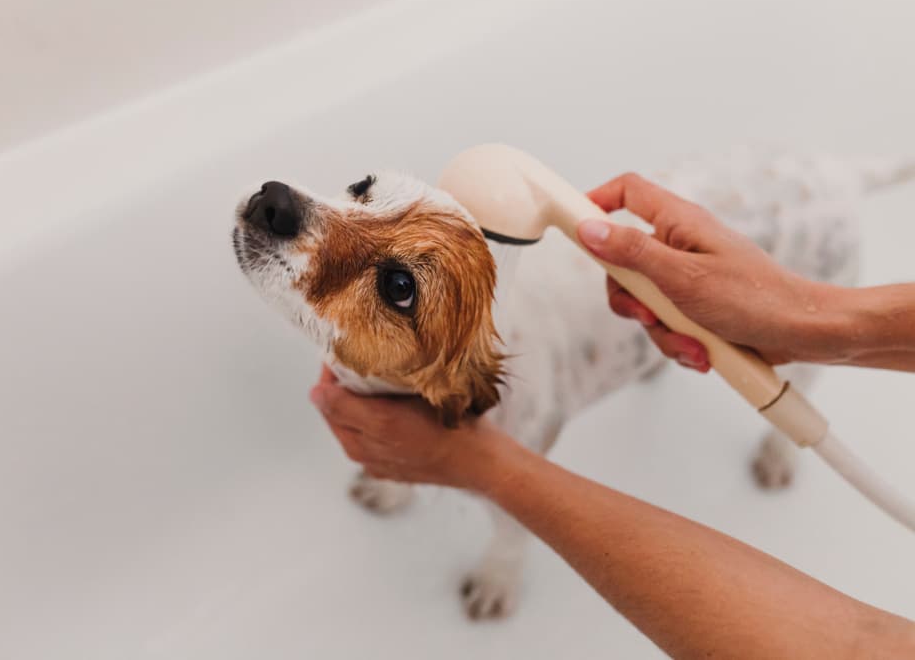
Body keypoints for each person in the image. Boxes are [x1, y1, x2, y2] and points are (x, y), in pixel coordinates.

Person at [308, 173, 915, 659]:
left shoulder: (518, 384)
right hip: (763, 201)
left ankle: (784, 444)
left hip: (813, 236)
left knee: (795, 373)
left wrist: (496, 501)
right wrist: (820, 319)